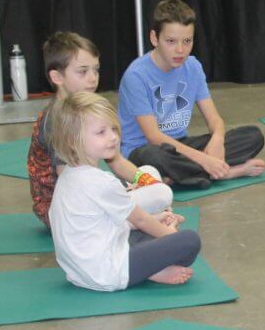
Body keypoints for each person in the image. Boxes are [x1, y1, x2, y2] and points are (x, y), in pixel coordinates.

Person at [48, 92, 201, 291]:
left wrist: (157, 217)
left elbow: (107, 223)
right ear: (72, 140)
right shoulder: (101, 182)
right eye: (101, 132)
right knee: (189, 241)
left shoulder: (69, 174)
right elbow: (141, 221)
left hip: (80, 272)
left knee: (149, 230)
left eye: (113, 128)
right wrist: (169, 234)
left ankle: (150, 267)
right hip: (109, 272)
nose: (113, 137)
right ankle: (150, 270)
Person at [27, 32, 173, 228]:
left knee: (150, 173)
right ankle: (138, 221)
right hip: (66, 212)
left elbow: (117, 161)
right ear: (57, 77)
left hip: (90, 195)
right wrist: (120, 195)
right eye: (82, 71)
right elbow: (70, 184)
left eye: (96, 70)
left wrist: (147, 181)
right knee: (162, 194)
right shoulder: (60, 119)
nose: (92, 78)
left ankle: (142, 216)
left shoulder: (87, 107)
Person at [117, 0, 265, 188]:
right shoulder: (136, 76)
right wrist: (205, 160)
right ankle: (228, 172)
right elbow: (154, 136)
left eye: (187, 41)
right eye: (171, 41)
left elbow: (215, 120)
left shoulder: (193, 67)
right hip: (145, 150)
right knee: (153, 157)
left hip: (181, 145)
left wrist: (217, 140)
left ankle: (181, 176)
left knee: (252, 135)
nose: (180, 50)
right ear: (155, 38)